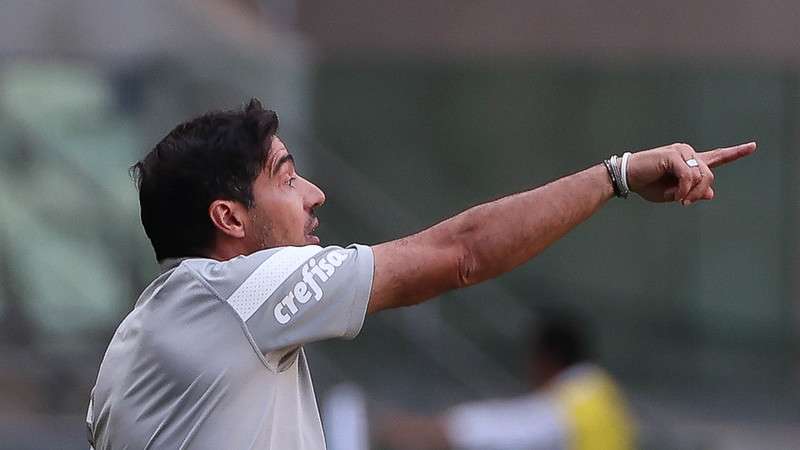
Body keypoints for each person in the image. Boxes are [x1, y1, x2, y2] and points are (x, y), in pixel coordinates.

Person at [86, 98, 754, 449]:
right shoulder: (237, 292)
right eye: (287, 178)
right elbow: (460, 254)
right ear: (230, 219)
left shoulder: (132, 345)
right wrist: (618, 175)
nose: (315, 194)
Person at [379, 315, 635, 450]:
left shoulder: (571, 407)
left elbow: (503, 429)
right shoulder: (603, 392)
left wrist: (421, 431)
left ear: (545, 359)